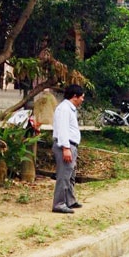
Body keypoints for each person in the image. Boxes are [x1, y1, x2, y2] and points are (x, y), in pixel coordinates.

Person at [52, 84, 85, 214]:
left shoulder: (70, 109)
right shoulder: (64, 109)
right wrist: (66, 148)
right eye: (82, 97)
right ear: (75, 96)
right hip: (66, 145)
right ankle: (59, 203)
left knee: (70, 175)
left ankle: (69, 200)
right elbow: (63, 129)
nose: (83, 100)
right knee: (64, 176)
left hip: (71, 145)